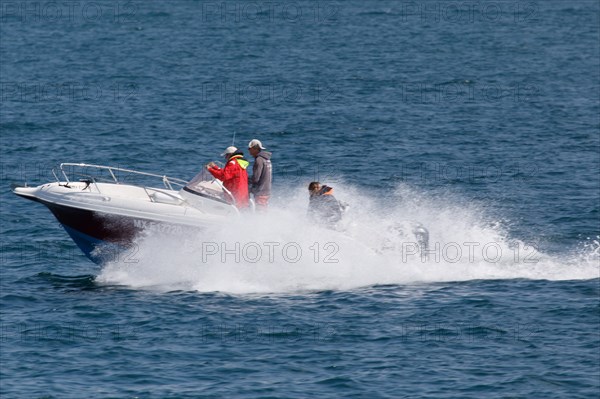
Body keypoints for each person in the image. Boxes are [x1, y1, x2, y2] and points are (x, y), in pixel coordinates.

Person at [247, 139, 272, 210]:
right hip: (267, 190)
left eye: (249, 148)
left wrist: (246, 180)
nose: (248, 150)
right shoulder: (267, 159)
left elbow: (256, 178)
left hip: (261, 191)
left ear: (255, 149)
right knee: (263, 210)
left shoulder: (259, 160)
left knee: (260, 212)